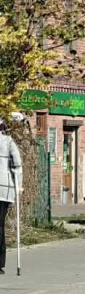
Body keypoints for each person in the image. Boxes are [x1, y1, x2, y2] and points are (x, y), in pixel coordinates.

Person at [0, 115, 23, 272]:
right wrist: (19, 186)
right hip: (4, 189)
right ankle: (0, 263)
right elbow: (17, 165)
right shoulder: (8, 141)